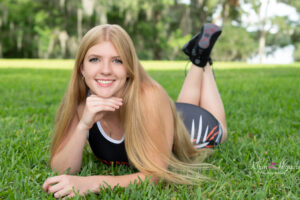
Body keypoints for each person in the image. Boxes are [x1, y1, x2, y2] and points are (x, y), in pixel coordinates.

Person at [42, 23, 227, 199]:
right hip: (166, 115)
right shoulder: (81, 101)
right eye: (95, 59)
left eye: (117, 60)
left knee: (220, 132)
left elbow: (155, 175)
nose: (105, 70)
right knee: (180, 107)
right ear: (82, 67)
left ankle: (203, 60)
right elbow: (62, 170)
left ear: (130, 68)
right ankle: (198, 57)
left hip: (194, 127)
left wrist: (91, 183)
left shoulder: (150, 97)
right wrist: (83, 124)